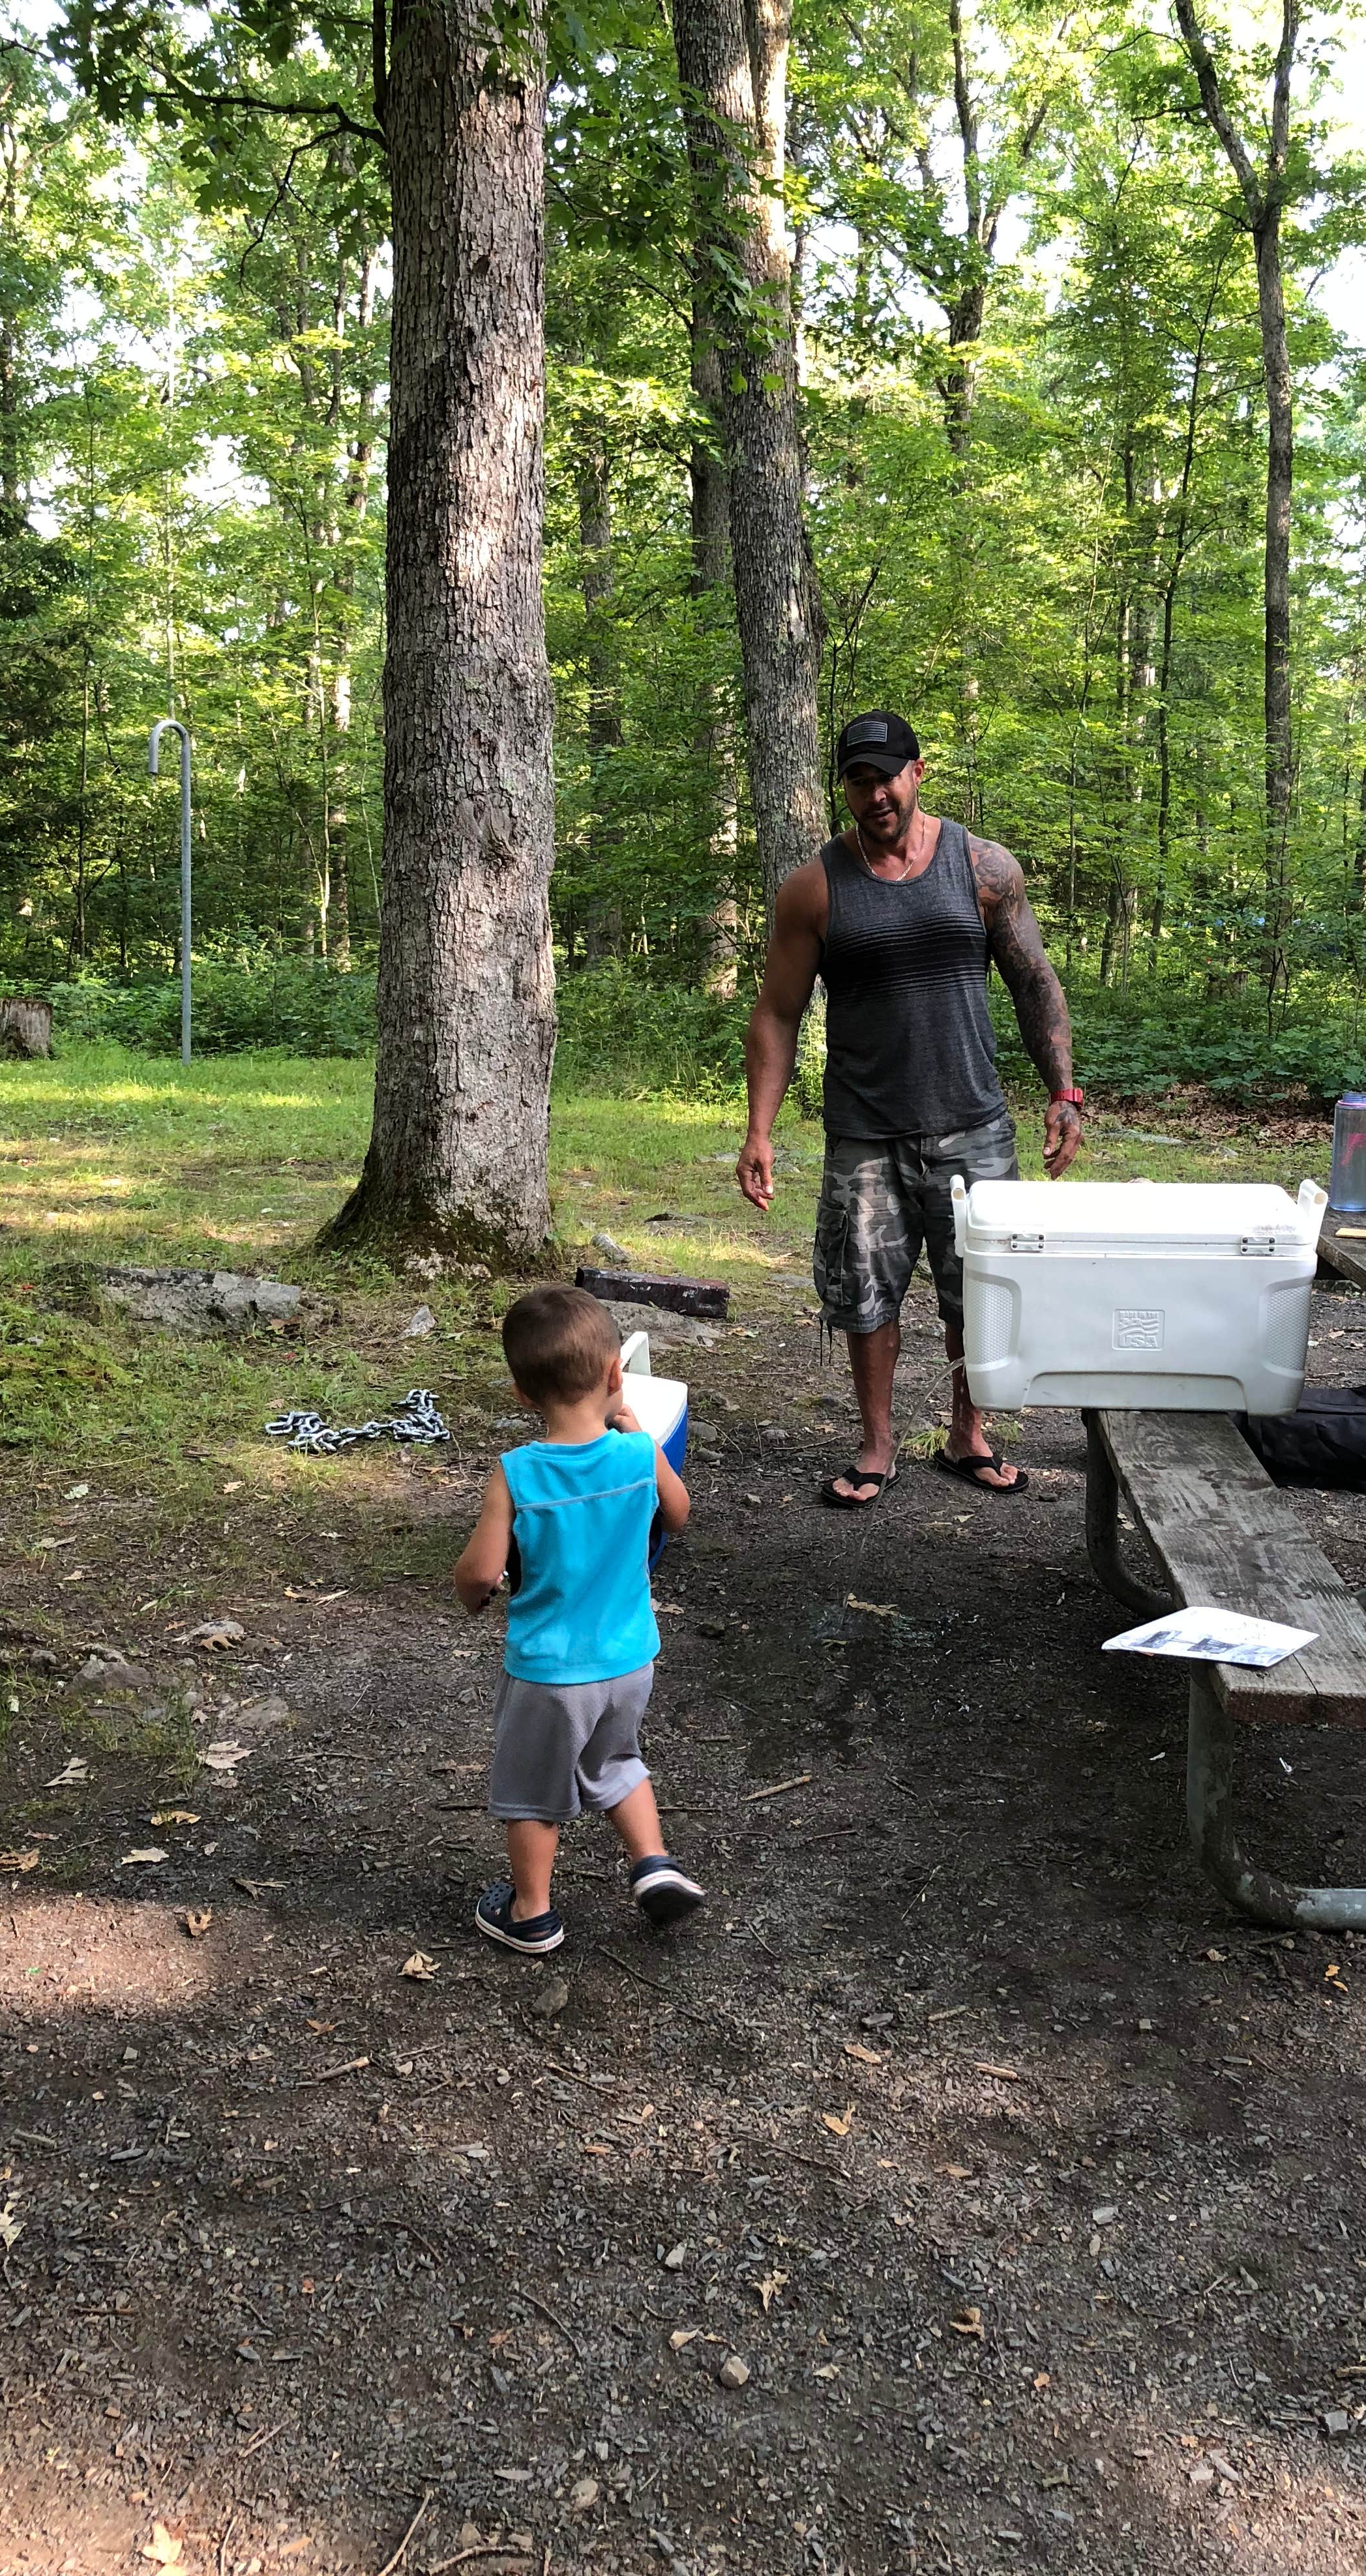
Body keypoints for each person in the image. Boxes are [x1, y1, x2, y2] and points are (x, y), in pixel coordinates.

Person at [737, 709, 1083, 1508]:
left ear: (918, 771)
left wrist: (1063, 1090)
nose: (874, 794)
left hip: (975, 1120)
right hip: (864, 1129)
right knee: (863, 1294)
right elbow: (777, 1012)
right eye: (857, 780)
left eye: (885, 775)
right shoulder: (815, 887)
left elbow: (1034, 982)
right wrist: (758, 1130)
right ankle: (878, 1443)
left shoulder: (982, 866)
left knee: (979, 1289)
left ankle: (969, 1434)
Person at [453, 1284, 703, 1955]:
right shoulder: (636, 1453)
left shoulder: (519, 1474)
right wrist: (634, 1434)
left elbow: (480, 1572)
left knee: (533, 1792)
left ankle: (530, 1912)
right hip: (628, 1661)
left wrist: (471, 1595)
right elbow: (677, 1515)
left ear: (522, 1395)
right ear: (616, 1375)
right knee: (618, 1761)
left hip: (550, 1673)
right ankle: (653, 1863)